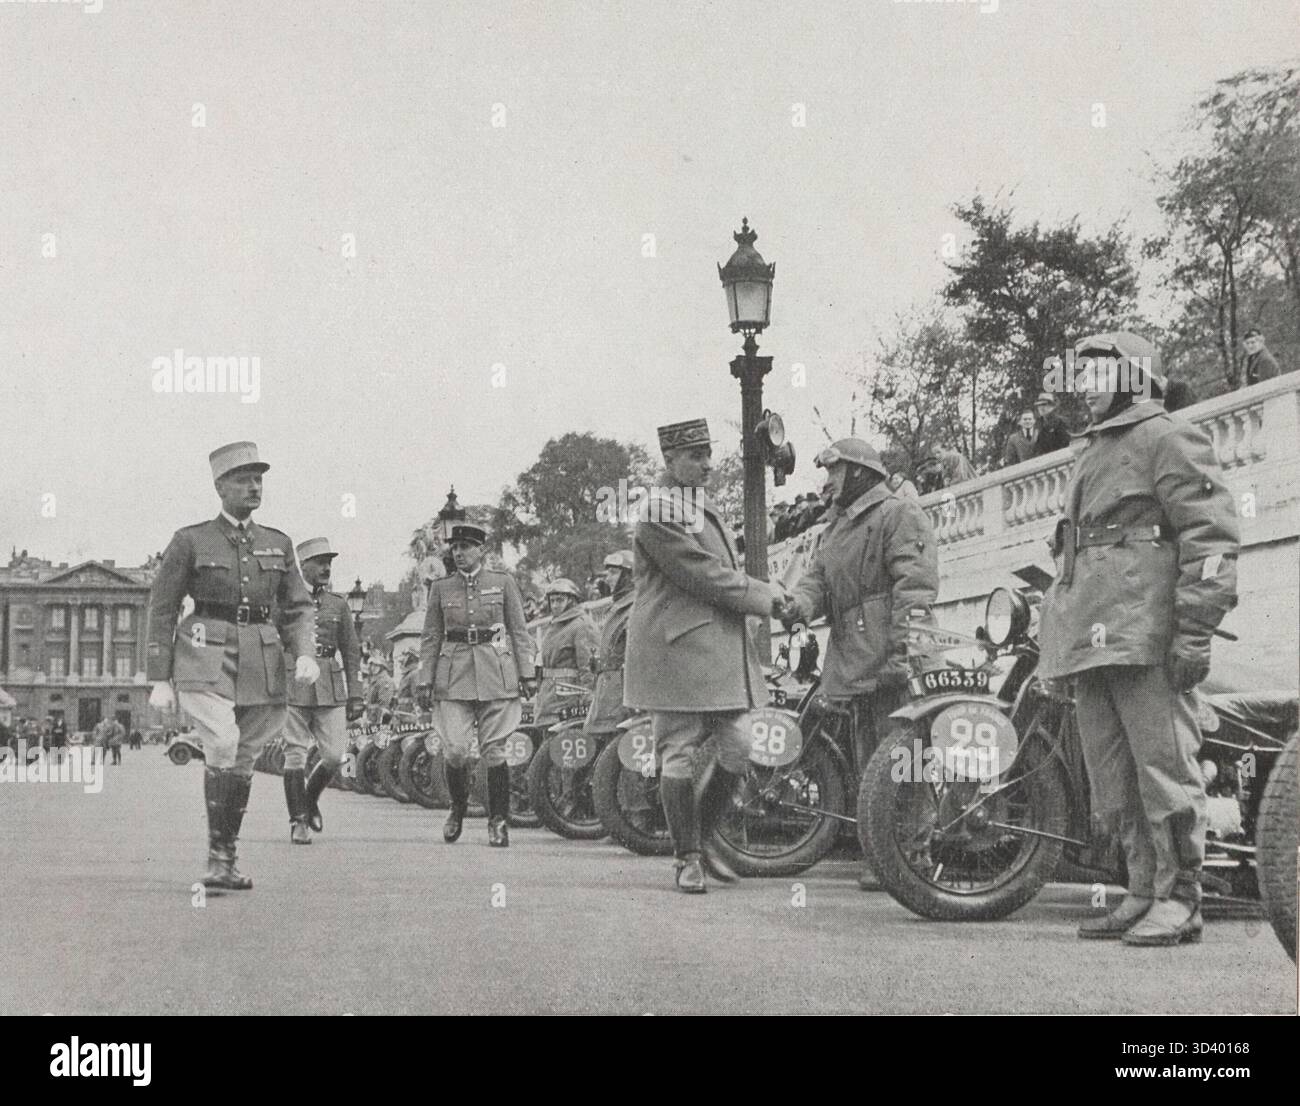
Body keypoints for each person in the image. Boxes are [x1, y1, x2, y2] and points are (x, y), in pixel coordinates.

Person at [1039, 332, 1239, 947]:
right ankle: (1142, 890)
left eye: (1100, 376)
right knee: (1113, 777)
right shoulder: (1092, 449)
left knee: (1164, 771)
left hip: (1145, 633)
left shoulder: (1167, 436)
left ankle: (1182, 899)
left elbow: (1210, 540)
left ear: (1135, 379)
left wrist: (1195, 632)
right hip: (1094, 637)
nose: (1086, 388)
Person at [624, 417, 790, 894]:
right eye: (695, 456)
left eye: (707, 454)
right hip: (676, 648)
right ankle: (688, 856)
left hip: (713, 648)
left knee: (739, 743)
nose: (707, 464)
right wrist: (766, 596)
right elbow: (703, 574)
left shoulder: (698, 505)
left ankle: (706, 837)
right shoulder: (659, 509)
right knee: (676, 750)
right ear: (669, 460)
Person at [146, 441, 319, 891]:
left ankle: (226, 858)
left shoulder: (277, 543)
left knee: (244, 756)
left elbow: (298, 605)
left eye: (259, 478)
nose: (254, 486)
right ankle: (217, 857)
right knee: (223, 742)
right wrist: (159, 677)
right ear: (220, 486)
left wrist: (304, 652)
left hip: (261, 657)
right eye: (243, 479)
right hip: (204, 652)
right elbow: (163, 608)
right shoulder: (190, 540)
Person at [777, 438, 939, 888]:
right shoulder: (836, 528)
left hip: (891, 654)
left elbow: (917, 588)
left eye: (834, 473)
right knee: (873, 762)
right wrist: (796, 606)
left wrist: (907, 654)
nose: (827, 484)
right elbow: (816, 581)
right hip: (857, 658)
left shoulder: (898, 513)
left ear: (860, 473)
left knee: (903, 761)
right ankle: (887, 857)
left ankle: (913, 858)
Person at [417, 523, 535, 847]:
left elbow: (519, 632)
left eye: (466, 546)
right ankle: (457, 806)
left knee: (495, 751)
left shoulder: (503, 583)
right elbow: (430, 637)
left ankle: (498, 820)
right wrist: (424, 679)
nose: (459, 553)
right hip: (453, 676)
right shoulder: (441, 588)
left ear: (481, 549)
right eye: (455, 548)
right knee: (454, 750)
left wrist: (527, 673)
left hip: (496, 672)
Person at [280, 537, 364, 845]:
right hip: (294, 681)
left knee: (334, 756)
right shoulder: (285, 602)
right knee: (294, 754)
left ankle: (310, 799)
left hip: (330, 683)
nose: (326, 568)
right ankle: (298, 821)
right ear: (303, 567)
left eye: (329, 562)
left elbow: (352, 652)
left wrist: (356, 694)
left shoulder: (338, 605)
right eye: (319, 562)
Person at [583, 551, 636, 739]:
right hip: (607, 689)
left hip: (622, 692)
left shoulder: (636, 606)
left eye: (614, 572)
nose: (609, 578)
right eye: (608, 573)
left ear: (630, 575)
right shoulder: (616, 608)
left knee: (622, 749)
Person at [533, 578, 599, 726]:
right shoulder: (553, 627)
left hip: (569, 700)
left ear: (571, 601)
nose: (555, 605)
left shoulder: (582, 625)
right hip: (548, 697)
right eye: (552, 601)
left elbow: (589, 668)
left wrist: (587, 700)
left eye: (560, 600)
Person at [365, 656, 396, 724]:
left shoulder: (385, 681)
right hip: (373, 717)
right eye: (372, 665)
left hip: (382, 719)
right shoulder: (374, 681)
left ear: (382, 667)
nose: (373, 668)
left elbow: (384, 704)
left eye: (376, 666)